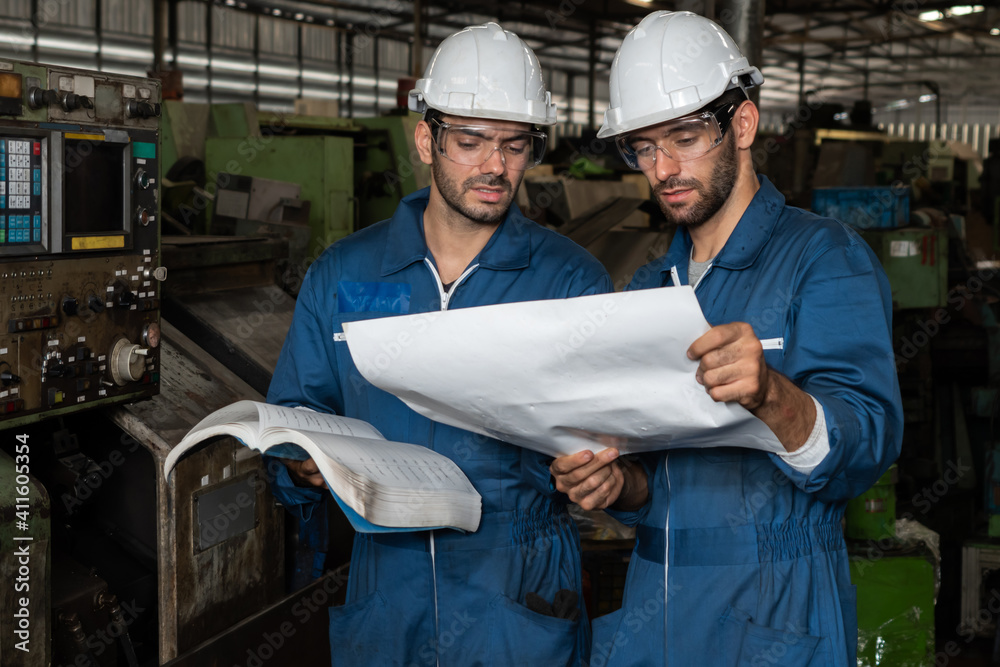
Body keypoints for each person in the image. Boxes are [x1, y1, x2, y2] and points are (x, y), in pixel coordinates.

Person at [549, 11, 903, 666]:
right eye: (644, 146)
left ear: (742, 123)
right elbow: (661, 483)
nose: (663, 167)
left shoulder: (824, 258)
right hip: (657, 615)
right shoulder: (654, 287)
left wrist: (773, 395)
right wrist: (615, 486)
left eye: (684, 136)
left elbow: (869, 440)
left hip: (775, 614)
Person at [265, 22, 611, 667]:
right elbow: (299, 406)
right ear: (427, 139)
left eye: (515, 145)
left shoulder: (570, 279)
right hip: (385, 578)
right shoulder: (344, 272)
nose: (494, 166)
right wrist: (299, 458)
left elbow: (605, 438)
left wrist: (595, 468)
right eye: (471, 142)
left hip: (516, 581)